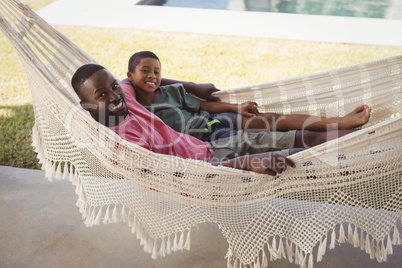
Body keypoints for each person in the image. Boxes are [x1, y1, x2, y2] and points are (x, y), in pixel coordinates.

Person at [71, 64, 303, 176]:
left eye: (113, 87)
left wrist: (192, 87)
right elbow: (176, 176)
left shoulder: (125, 98)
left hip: (210, 148)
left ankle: (339, 141)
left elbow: (133, 80)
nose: (115, 96)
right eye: (102, 95)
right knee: (296, 161)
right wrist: (246, 162)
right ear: (87, 106)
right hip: (213, 171)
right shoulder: (122, 146)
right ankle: (338, 160)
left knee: (297, 137)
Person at [126, 51, 371, 144]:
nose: (152, 76)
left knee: (275, 120)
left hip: (217, 120)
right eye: (145, 71)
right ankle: (343, 136)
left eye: (157, 72)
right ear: (130, 75)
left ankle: (342, 121)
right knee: (276, 138)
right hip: (208, 142)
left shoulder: (171, 92)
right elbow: (118, 84)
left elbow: (204, 105)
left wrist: (236, 107)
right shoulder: (129, 101)